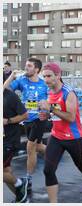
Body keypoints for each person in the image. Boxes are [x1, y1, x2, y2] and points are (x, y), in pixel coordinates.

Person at [38, 63, 82, 203]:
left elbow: (70, 117)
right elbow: (55, 114)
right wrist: (47, 116)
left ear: (58, 75)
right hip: (56, 136)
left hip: (73, 137)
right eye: (44, 76)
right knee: (48, 170)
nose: (46, 79)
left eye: (49, 76)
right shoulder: (50, 92)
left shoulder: (69, 92)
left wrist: (50, 109)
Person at [4, 58, 48, 195]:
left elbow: (52, 102)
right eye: (26, 65)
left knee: (30, 148)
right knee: (37, 147)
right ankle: (53, 152)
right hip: (26, 120)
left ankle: (28, 179)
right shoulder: (22, 81)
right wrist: (12, 76)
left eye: (29, 66)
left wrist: (47, 110)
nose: (26, 68)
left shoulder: (44, 84)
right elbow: (3, 90)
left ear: (36, 69)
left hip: (39, 120)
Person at [3, 75, 29, 203]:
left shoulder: (10, 96)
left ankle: (19, 183)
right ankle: (22, 198)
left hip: (9, 140)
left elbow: (25, 115)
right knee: (6, 171)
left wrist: (7, 121)